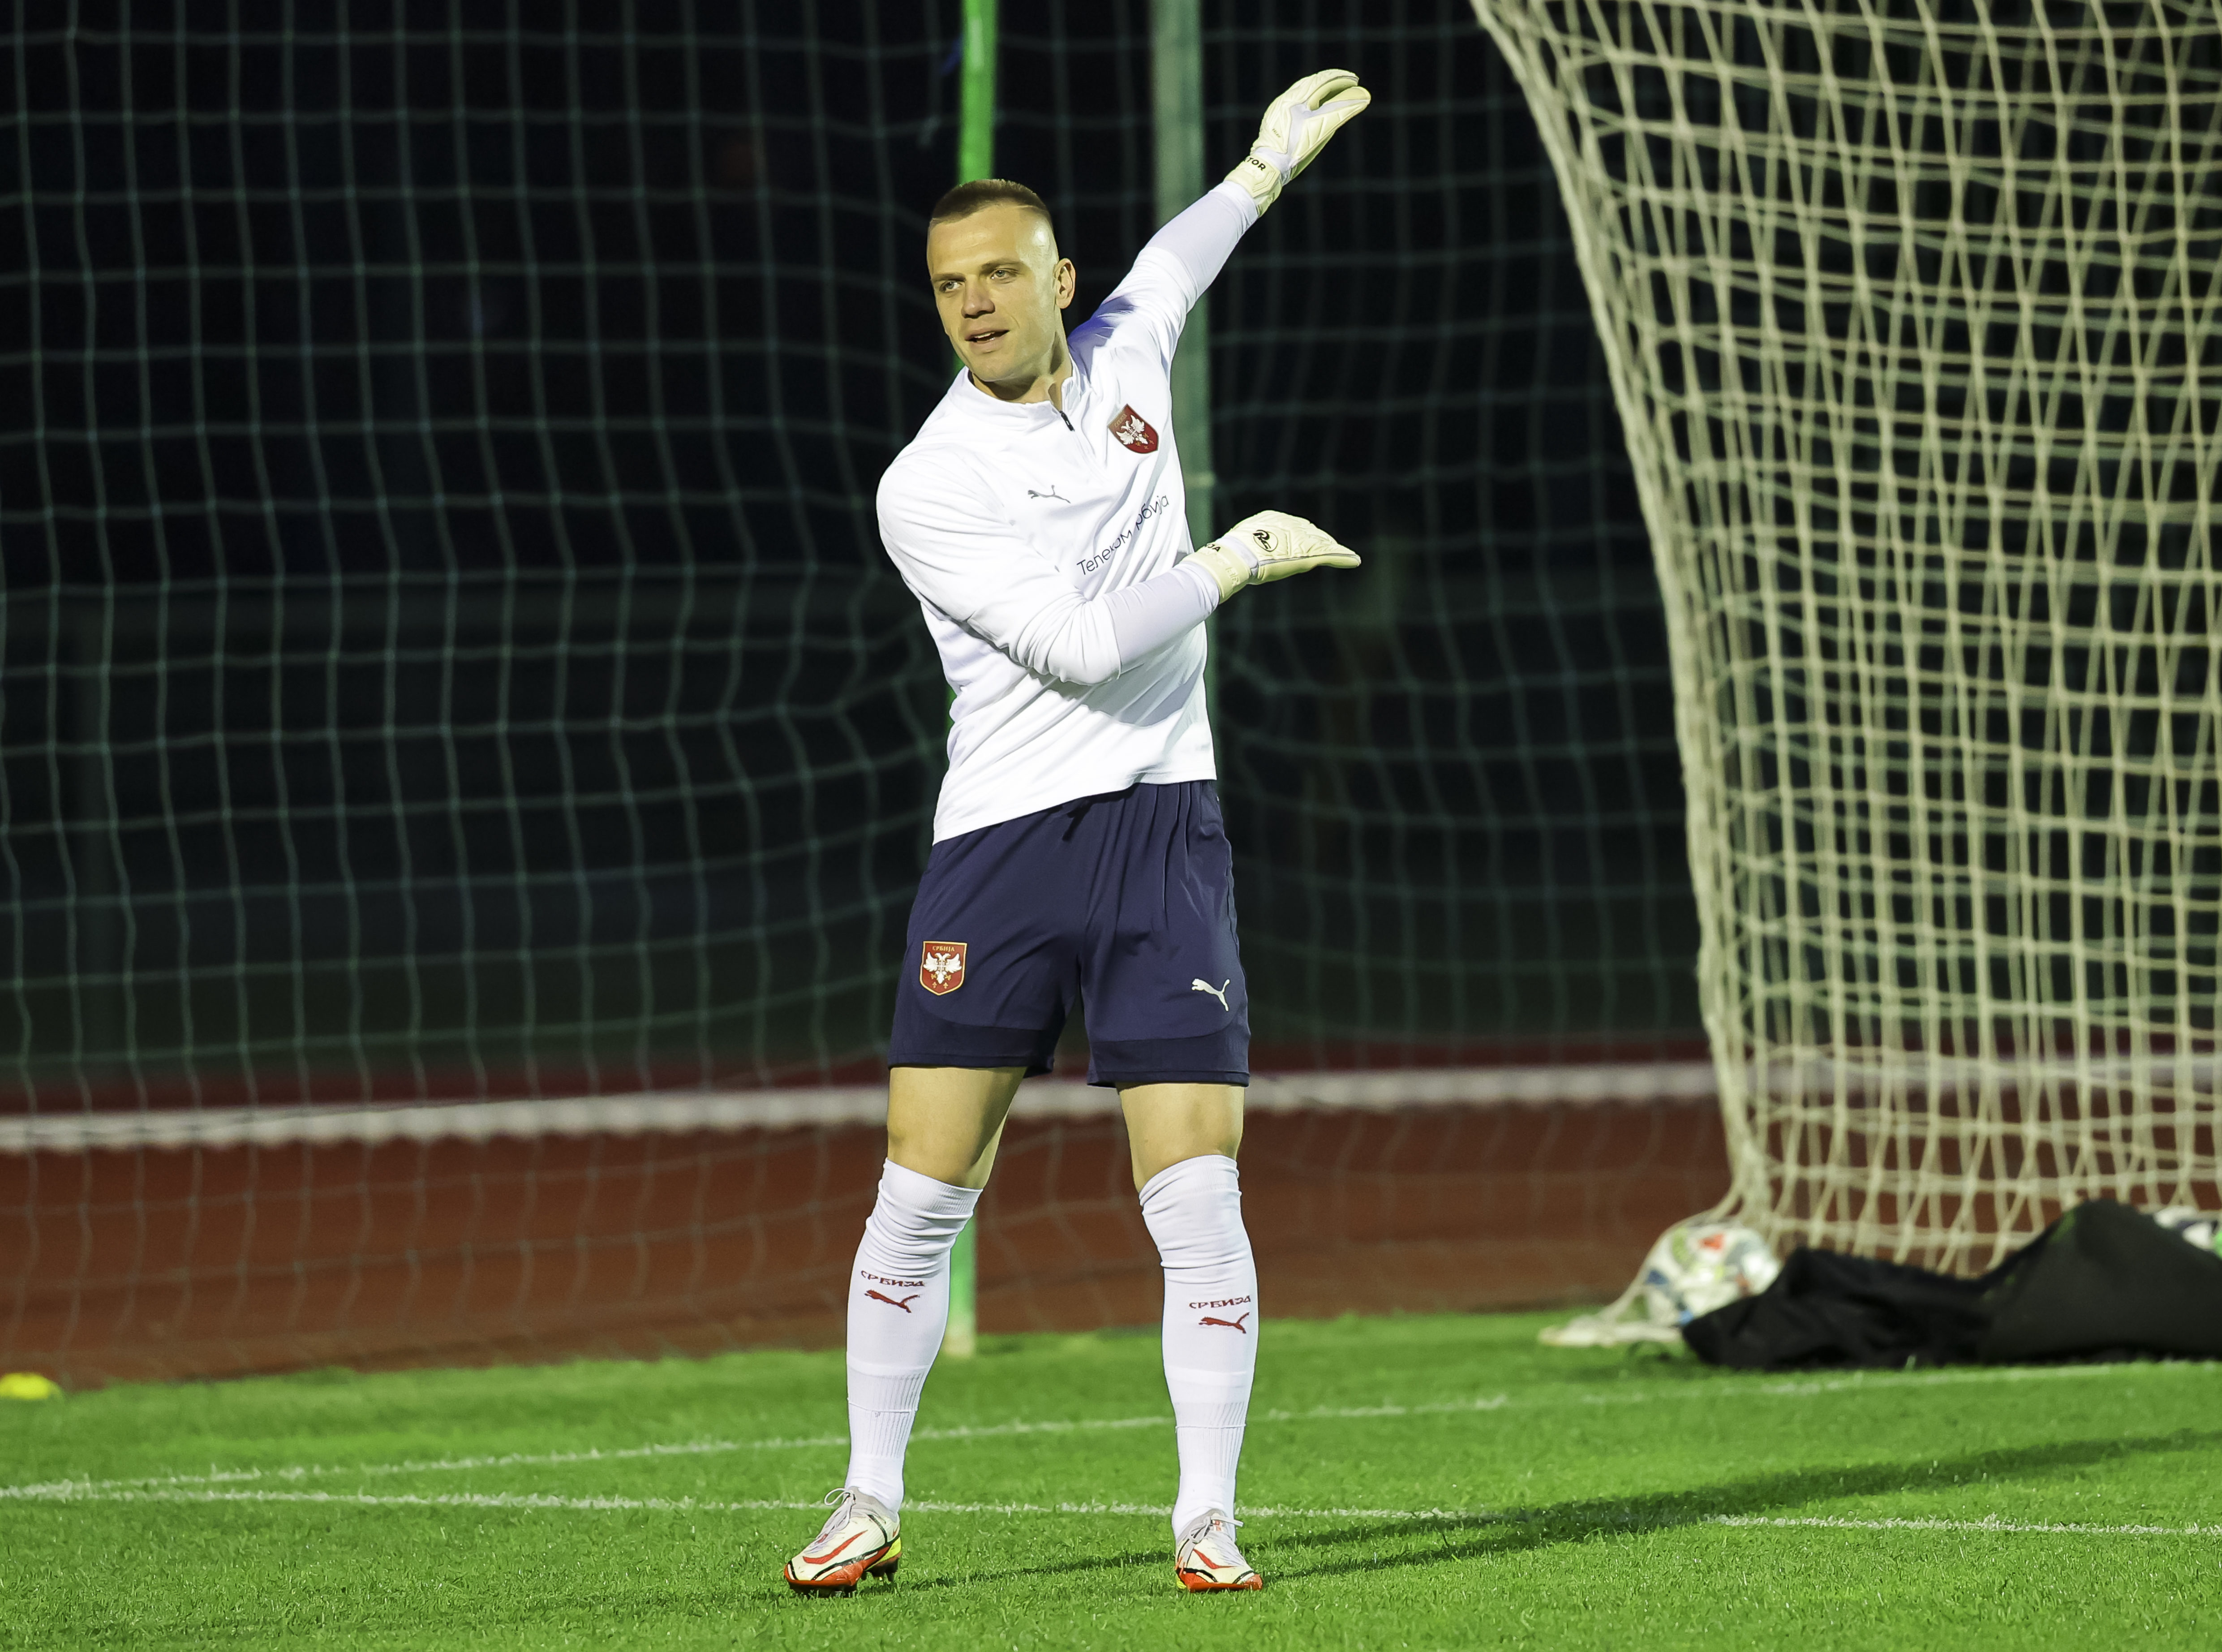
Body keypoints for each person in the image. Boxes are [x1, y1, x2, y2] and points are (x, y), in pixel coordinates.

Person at [784, 69, 1370, 1598]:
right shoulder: (928, 485)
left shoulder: (1124, 347)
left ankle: (1207, 1522)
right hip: (1003, 846)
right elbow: (1079, 650)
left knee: (1198, 1198)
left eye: (998, 274)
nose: (972, 304)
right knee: (922, 1197)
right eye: (947, 286)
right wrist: (1237, 558)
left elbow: (1176, 264)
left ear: (1058, 282)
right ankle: (866, 1498)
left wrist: (1260, 170)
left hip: (1165, 837)